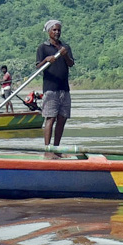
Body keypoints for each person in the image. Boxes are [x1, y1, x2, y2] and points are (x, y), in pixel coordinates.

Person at [36, 19, 75, 153]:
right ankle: (48, 149)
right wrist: (46, 60)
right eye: (54, 30)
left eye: (58, 30)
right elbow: (38, 68)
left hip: (64, 88)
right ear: (49, 32)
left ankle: (56, 149)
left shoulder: (65, 47)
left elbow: (70, 64)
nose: (57, 32)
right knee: (50, 118)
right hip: (50, 88)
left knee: (62, 118)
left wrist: (64, 55)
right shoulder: (43, 47)